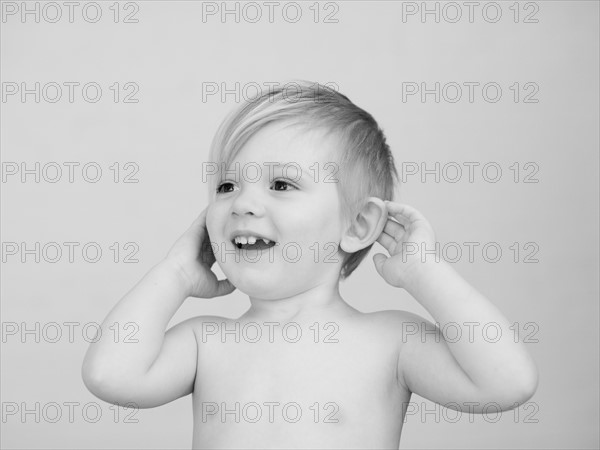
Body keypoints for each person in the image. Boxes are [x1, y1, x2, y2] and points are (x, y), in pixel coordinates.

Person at [82, 81, 538, 449]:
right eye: (226, 186)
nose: (243, 202)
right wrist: (175, 274)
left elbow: (506, 383)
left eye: (280, 184)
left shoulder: (391, 340)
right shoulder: (207, 342)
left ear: (358, 225)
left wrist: (425, 272)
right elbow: (110, 376)